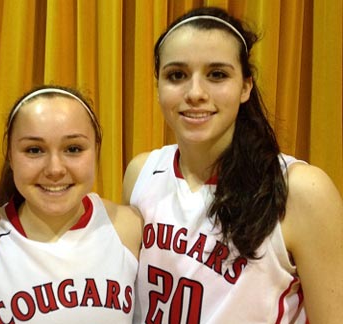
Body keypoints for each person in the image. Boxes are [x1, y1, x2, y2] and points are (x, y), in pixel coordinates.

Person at [122, 6, 343, 324]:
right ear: (157, 85)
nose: (195, 93)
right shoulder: (142, 172)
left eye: (217, 75)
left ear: (245, 87)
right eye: (177, 75)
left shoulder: (300, 189)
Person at [0, 85, 143, 324]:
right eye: (34, 150)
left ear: (96, 150)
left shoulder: (128, 228)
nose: (55, 169)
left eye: (73, 149)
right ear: (10, 156)